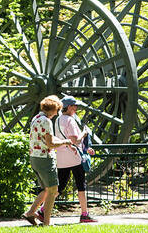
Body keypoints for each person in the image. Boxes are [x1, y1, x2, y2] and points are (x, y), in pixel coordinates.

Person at [42, 95, 97, 223]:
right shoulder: (70, 120)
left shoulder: (57, 120)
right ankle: (84, 214)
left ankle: (43, 209)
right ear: (69, 107)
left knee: (59, 187)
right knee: (81, 186)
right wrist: (84, 132)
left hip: (62, 157)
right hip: (74, 158)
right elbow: (75, 140)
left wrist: (85, 149)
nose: (76, 108)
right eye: (74, 106)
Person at [22, 95, 72, 226]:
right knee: (53, 190)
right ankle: (47, 223)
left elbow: (48, 138)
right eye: (57, 110)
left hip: (35, 158)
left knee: (45, 189)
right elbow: (50, 144)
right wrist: (64, 143)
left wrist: (63, 141)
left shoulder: (37, 118)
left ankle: (30, 213)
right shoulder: (47, 121)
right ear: (52, 109)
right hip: (45, 158)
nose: (57, 113)